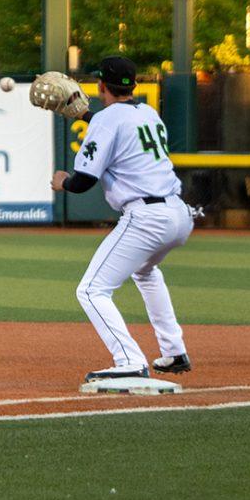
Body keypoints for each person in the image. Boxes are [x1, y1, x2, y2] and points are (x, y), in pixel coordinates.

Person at [51, 56, 194, 381]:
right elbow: (118, 125)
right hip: (178, 212)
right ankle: (174, 351)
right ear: (134, 85)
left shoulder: (106, 120)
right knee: (146, 272)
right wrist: (86, 115)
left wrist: (63, 183)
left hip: (146, 217)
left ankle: (129, 359)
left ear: (101, 85)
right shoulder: (147, 112)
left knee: (90, 290)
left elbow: (84, 180)